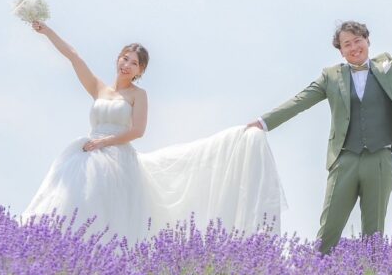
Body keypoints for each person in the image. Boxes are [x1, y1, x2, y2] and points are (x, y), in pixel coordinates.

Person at [248, 0, 392, 253]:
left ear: (367, 41)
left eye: (358, 40)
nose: (354, 47)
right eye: (347, 44)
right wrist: (263, 123)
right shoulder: (331, 77)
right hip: (344, 161)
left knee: (373, 234)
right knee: (328, 232)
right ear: (341, 51)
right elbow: (299, 101)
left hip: (379, 159)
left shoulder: (388, 66)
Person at [23, 21, 284, 242]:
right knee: (70, 201)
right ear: (118, 58)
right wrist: (47, 31)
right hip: (88, 152)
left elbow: (138, 131)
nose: (126, 65)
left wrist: (105, 142)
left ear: (140, 71)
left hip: (115, 156)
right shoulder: (99, 88)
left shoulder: (138, 95)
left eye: (134, 63)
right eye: (125, 58)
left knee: (106, 214)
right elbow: (74, 56)